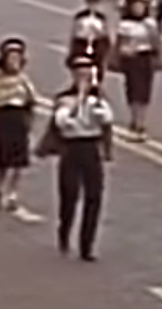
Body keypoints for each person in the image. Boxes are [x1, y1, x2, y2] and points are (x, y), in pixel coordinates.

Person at [48, 53, 113, 261]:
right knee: (69, 195)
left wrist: (93, 101)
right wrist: (80, 100)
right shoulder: (64, 98)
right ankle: (64, 232)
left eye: (87, 73)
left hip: (90, 147)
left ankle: (87, 245)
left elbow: (106, 119)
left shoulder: (99, 100)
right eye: (80, 73)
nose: (84, 77)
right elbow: (63, 122)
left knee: (94, 197)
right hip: (71, 148)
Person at [0, 37, 36, 211]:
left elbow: (31, 101)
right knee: (3, 156)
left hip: (19, 118)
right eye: (10, 58)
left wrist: (30, 121)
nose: (14, 62)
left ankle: (13, 191)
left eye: (17, 58)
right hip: (3, 118)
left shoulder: (24, 80)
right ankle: (0, 186)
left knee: (19, 159)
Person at [112, 0, 162, 139]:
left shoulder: (150, 23)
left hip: (145, 57)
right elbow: (119, 43)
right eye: (135, 5)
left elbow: (156, 43)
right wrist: (119, 55)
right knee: (133, 90)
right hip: (131, 59)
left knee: (145, 91)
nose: (138, 8)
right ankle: (134, 120)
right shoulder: (125, 24)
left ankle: (141, 122)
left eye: (141, 5)